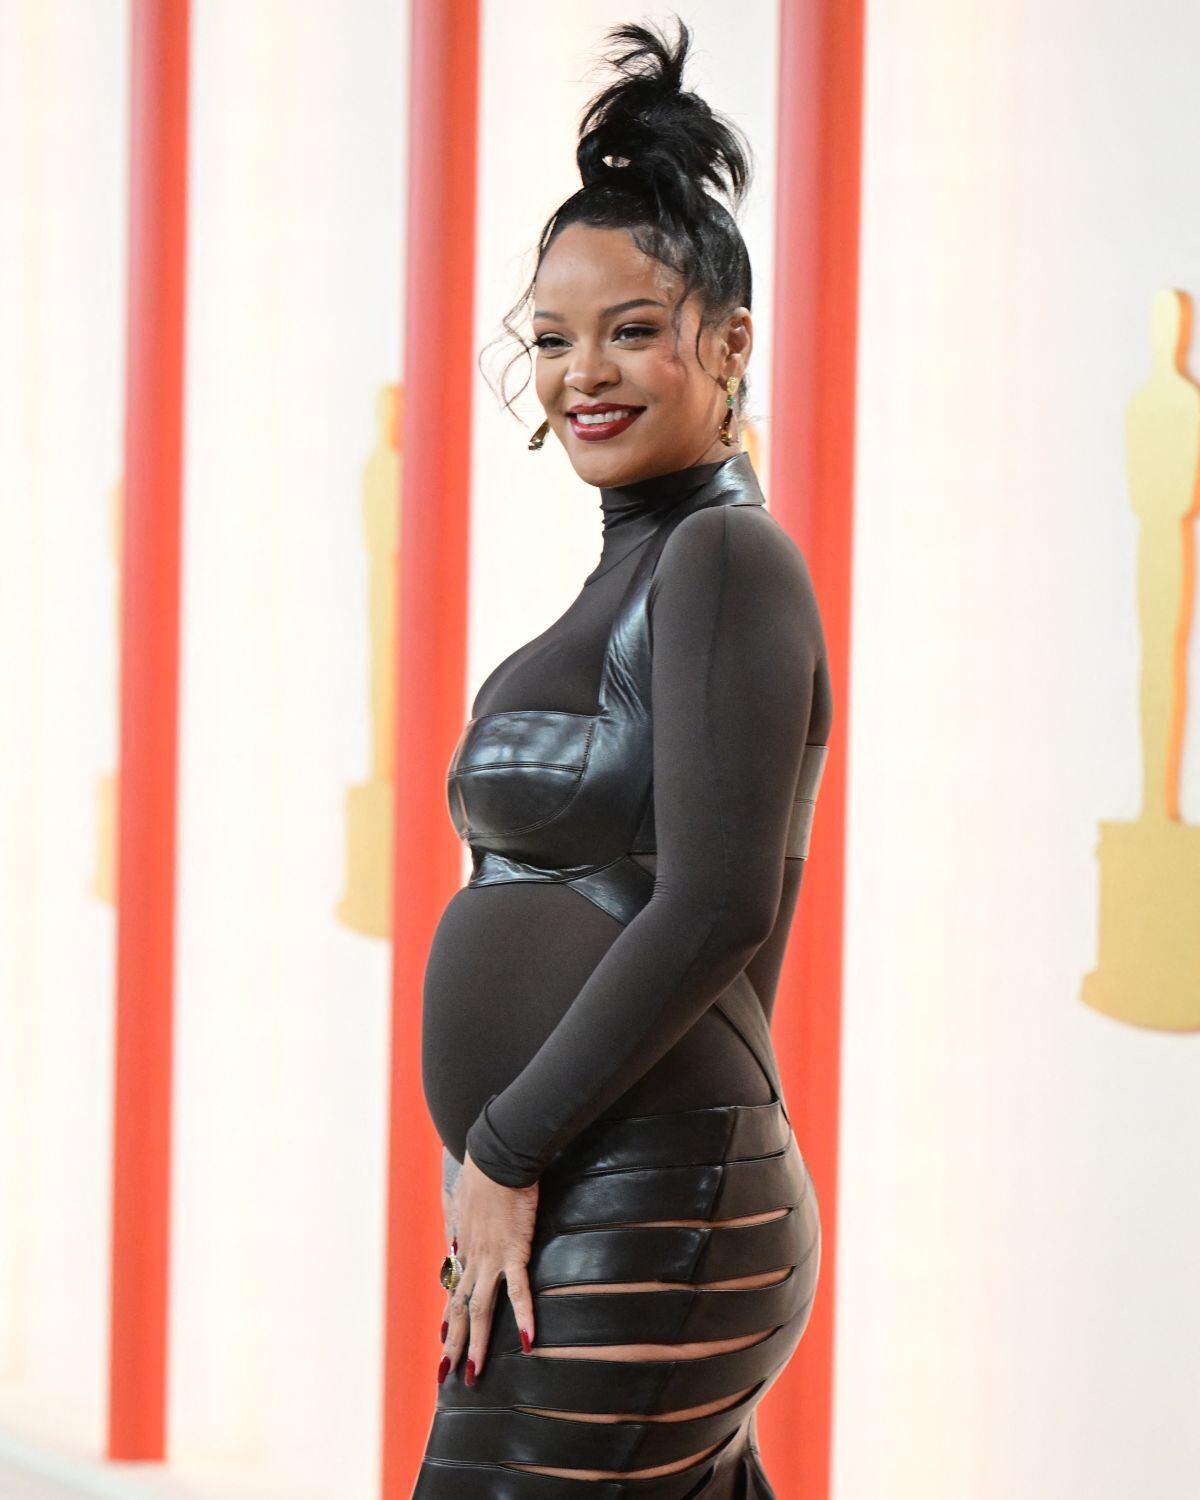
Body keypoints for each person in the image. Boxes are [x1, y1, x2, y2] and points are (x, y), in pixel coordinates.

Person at [415, 15, 832, 1496]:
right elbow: (743, 940)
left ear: (729, 343)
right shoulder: (642, 575)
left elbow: (718, 910)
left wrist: (509, 1148)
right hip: (627, 1190)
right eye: (550, 337)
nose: (581, 371)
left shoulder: (725, 559)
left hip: (639, 1198)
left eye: (633, 329)